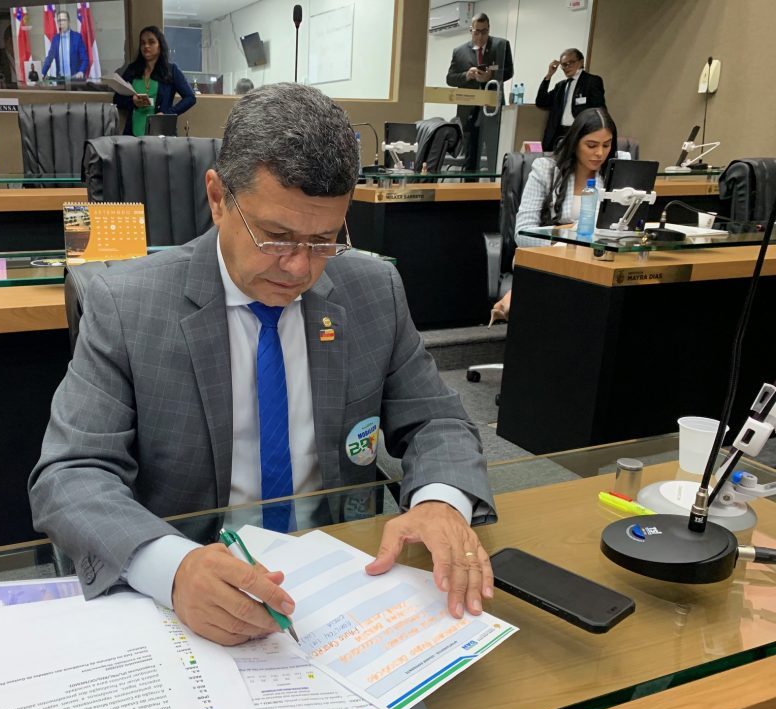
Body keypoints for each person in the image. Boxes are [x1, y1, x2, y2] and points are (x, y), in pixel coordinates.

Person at [30, 82, 496, 647]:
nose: (300, 268)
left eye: (324, 239)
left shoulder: (373, 289)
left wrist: (440, 502)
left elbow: (437, 420)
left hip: (343, 585)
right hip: (195, 598)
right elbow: (71, 475)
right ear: (217, 197)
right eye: (275, 237)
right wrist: (172, 568)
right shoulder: (126, 306)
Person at [492, 108, 617, 320]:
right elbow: (522, 233)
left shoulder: (613, 175)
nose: (599, 153)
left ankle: (514, 298)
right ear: (575, 142)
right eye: (591, 145)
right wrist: (567, 239)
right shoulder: (546, 170)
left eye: (606, 145)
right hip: (551, 258)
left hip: (599, 263)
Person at [446, 13, 513, 174]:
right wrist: (466, 75)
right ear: (471, 30)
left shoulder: (501, 45)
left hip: (492, 110)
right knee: (470, 159)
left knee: (494, 158)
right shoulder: (459, 51)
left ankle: (493, 188)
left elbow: (508, 71)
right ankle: (469, 188)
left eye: (484, 32)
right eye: (477, 32)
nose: (480, 36)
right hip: (469, 111)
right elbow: (450, 78)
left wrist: (491, 74)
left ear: (489, 29)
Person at [112, 26, 195, 136]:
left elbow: (190, 98)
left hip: (161, 134)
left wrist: (167, 114)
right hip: (133, 135)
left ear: (160, 45)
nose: (146, 46)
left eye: (151, 42)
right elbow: (117, 99)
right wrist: (132, 101)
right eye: (143, 43)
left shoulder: (171, 70)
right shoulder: (133, 69)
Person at [535, 48, 606, 153]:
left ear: (581, 62)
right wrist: (549, 75)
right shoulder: (561, 86)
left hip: (580, 132)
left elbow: (599, 109)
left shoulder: (591, 81)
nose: (566, 67)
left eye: (570, 63)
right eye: (564, 65)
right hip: (559, 134)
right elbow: (541, 101)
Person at [41, 9, 89, 81]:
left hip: (75, 79)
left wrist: (81, 71)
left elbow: (85, 59)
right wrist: (42, 73)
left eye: (63, 20)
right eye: (59, 21)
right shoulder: (55, 39)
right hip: (60, 80)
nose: (61, 23)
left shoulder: (77, 37)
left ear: (69, 22)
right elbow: (49, 58)